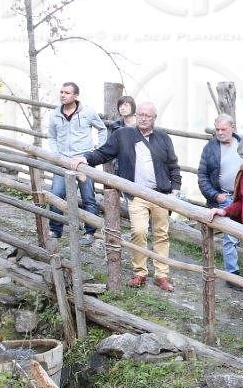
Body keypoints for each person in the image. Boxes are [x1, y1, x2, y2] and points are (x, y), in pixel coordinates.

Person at [70, 101, 180, 292]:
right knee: (139, 231)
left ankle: (161, 275)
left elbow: (173, 166)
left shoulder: (163, 138)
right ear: (136, 116)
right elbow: (103, 153)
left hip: (160, 194)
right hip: (136, 193)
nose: (144, 118)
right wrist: (85, 158)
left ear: (154, 118)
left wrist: (175, 190)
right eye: (141, 115)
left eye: (148, 116)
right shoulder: (123, 135)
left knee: (161, 234)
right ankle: (140, 272)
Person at [46, 81, 106, 247]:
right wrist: (56, 154)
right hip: (63, 160)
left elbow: (102, 129)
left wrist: (95, 151)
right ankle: (55, 230)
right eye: (62, 92)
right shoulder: (55, 114)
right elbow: (51, 136)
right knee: (56, 195)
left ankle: (89, 233)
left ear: (76, 96)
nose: (63, 95)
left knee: (88, 198)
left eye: (67, 93)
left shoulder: (88, 112)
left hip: (84, 162)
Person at [197, 115, 243, 276]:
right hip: (225, 197)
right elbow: (202, 176)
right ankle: (232, 274)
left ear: (233, 128)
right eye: (217, 129)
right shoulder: (210, 148)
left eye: (224, 129)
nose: (220, 132)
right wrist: (216, 196)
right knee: (229, 236)